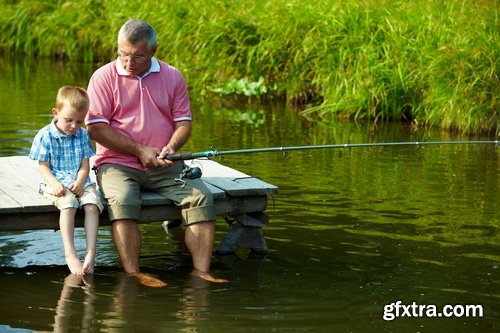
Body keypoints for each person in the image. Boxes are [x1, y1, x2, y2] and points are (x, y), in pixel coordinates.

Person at [85, 19, 226, 287]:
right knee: (124, 201)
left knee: (201, 198)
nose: (128, 62)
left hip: (165, 163)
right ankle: (134, 273)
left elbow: (183, 122)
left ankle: (201, 272)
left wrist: (172, 147)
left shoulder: (172, 76)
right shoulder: (103, 77)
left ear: (153, 50)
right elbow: (96, 129)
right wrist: (139, 150)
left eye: (137, 56)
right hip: (117, 163)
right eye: (123, 54)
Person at [29, 86, 103, 275]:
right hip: (55, 182)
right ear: (56, 112)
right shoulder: (45, 135)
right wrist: (54, 184)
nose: (73, 126)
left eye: (79, 121)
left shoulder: (82, 135)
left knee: (92, 205)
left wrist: (80, 181)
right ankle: (70, 254)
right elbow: (43, 166)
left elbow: (85, 165)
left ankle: (90, 254)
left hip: (80, 181)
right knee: (69, 204)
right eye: (68, 120)